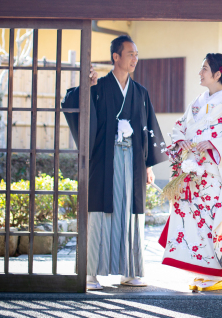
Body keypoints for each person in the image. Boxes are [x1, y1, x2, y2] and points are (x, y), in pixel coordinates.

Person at [62, 35, 166, 291]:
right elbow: (72, 102)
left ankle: (130, 272)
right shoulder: (99, 86)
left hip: (132, 160)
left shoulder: (140, 92)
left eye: (136, 54)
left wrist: (148, 166)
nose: (135, 58)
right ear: (115, 57)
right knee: (101, 211)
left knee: (130, 212)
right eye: (130, 53)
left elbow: (146, 129)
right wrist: (86, 87)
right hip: (104, 160)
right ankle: (91, 273)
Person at [158, 53, 222, 292]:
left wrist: (213, 144)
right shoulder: (198, 100)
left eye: (204, 69)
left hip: (215, 172)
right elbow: (180, 125)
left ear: (217, 74)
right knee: (195, 220)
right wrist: (181, 140)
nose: (200, 73)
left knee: (214, 220)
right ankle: (201, 271)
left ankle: (217, 274)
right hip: (195, 171)